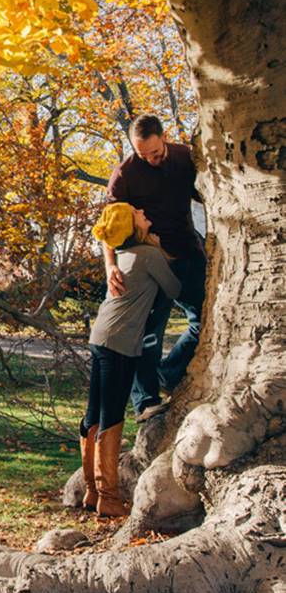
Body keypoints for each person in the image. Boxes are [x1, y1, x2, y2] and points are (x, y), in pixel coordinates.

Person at [104, 114, 205, 421]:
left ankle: (167, 373)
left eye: (155, 153)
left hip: (187, 252)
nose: (150, 159)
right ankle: (146, 400)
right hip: (148, 260)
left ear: (164, 138)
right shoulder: (125, 174)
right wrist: (110, 267)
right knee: (146, 334)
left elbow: (209, 196)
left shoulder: (185, 158)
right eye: (142, 154)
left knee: (203, 323)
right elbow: (108, 227)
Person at [83, 202, 181, 517]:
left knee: (93, 414)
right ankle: (109, 499)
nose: (142, 211)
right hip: (120, 342)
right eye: (136, 213)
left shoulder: (124, 256)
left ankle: (91, 491)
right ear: (133, 225)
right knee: (111, 415)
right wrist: (160, 249)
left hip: (100, 335)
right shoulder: (148, 256)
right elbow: (174, 288)